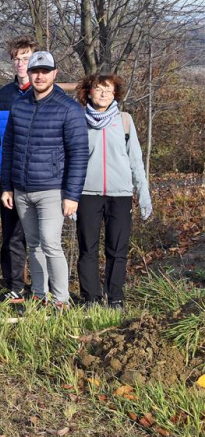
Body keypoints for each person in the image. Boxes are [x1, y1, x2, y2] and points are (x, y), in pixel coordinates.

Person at [0, 51, 89, 310]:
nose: (39, 76)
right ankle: (40, 294)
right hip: (21, 189)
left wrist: (72, 194)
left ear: (54, 74)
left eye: (45, 71)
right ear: (29, 73)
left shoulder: (68, 109)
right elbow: (9, 148)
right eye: (35, 71)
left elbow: (79, 154)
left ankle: (61, 299)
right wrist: (7, 186)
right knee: (34, 245)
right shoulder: (19, 105)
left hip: (52, 189)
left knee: (51, 243)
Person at [74, 74, 152, 309]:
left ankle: (115, 297)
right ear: (89, 92)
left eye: (109, 89)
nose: (104, 93)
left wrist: (143, 193)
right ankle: (91, 298)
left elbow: (135, 159)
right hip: (87, 193)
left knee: (117, 249)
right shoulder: (79, 120)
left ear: (115, 93)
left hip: (120, 194)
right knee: (88, 248)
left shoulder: (125, 120)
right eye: (99, 89)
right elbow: (70, 159)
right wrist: (69, 195)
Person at [0, 35, 37, 303]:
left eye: (26, 58)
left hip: (40, 176)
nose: (21, 63)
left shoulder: (44, 91)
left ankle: (42, 285)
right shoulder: (4, 95)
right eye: (17, 59)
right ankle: (15, 285)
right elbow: (0, 137)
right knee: (11, 234)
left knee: (39, 236)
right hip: (9, 175)